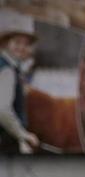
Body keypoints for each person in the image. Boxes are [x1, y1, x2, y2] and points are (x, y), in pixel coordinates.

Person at [0, 9, 39, 153]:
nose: (21, 47)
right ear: (6, 43)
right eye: (17, 42)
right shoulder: (7, 70)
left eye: (25, 44)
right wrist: (23, 134)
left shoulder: (12, 67)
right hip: (5, 141)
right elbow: (2, 110)